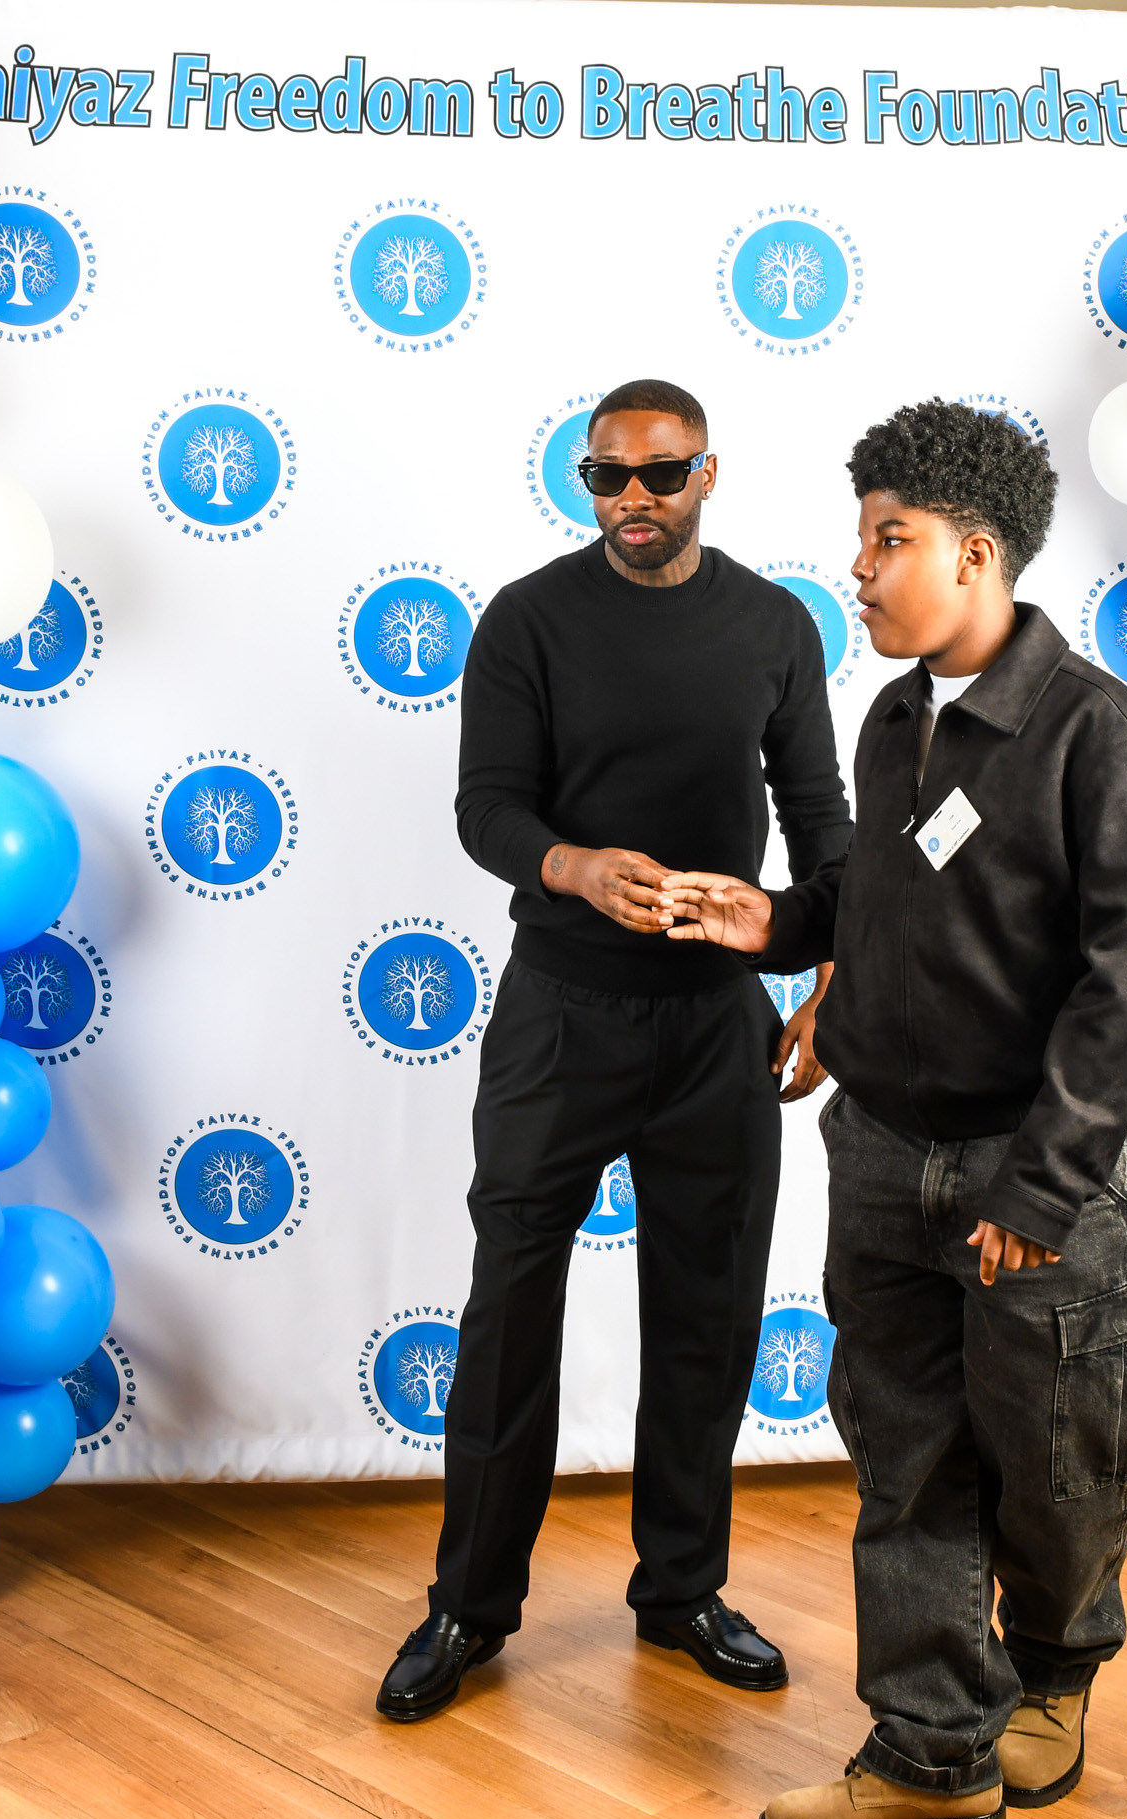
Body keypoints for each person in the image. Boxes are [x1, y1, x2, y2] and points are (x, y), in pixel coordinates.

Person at [659, 399, 1127, 1819]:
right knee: (906, 1459)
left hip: (1040, 1166)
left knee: (1061, 1451)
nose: (861, 568)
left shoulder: (1098, 734)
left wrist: (1045, 1183)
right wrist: (774, 925)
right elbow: (875, 905)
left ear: (974, 554)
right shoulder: (894, 719)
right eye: (861, 540)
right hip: (886, 1152)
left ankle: (1056, 1669)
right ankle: (932, 1751)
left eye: (888, 541)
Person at [375, 377, 852, 1723]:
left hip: (716, 1023)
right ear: (585, 481)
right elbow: (487, 808)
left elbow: (822, 822)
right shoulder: (527, 619)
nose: (633, 498)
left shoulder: (772, 626)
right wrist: (573, 867)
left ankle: (682, 1590)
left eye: (661, 472)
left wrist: (832, 980)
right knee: (508, 1313)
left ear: (709, 474)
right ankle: (468, 1606)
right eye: (607, 476)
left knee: (709, 1316)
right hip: (560, 1014)